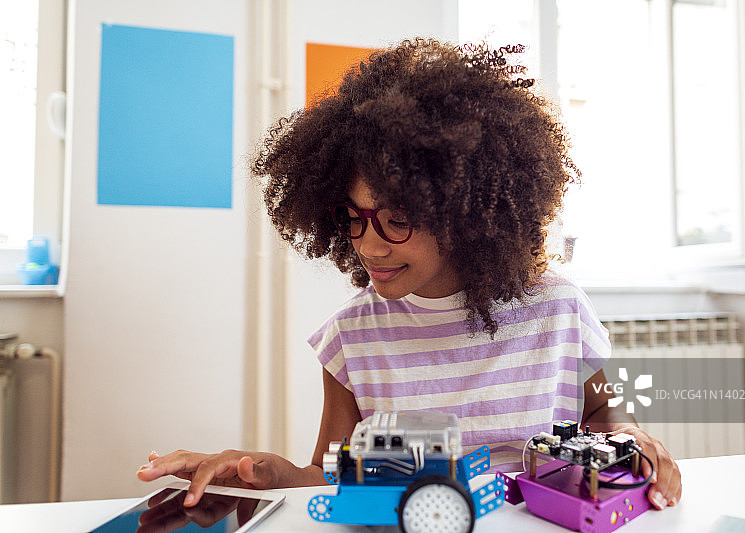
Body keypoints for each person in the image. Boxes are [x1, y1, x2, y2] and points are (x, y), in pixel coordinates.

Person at [137, 38, 681, 511]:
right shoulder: (349, 340)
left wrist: (631, 439)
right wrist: (268, 475)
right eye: (352, 217)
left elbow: (607, 415)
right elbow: (334, 481)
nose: (368, 243)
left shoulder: (559, 309)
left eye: (397, 219)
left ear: (465, 213)